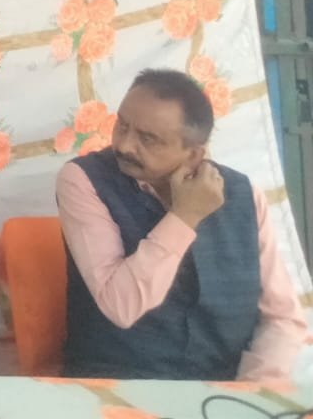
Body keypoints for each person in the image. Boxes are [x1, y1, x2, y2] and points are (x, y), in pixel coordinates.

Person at [56, 70, 307, 382]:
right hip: (119, 383)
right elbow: (121, 306)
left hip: (225, 386)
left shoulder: (244, 195)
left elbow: (282, 319)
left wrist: (252, 390)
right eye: (122, 125)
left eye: (148, 139)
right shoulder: (83, 180)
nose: (125, 145)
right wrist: (184, 216)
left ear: (194, 154)